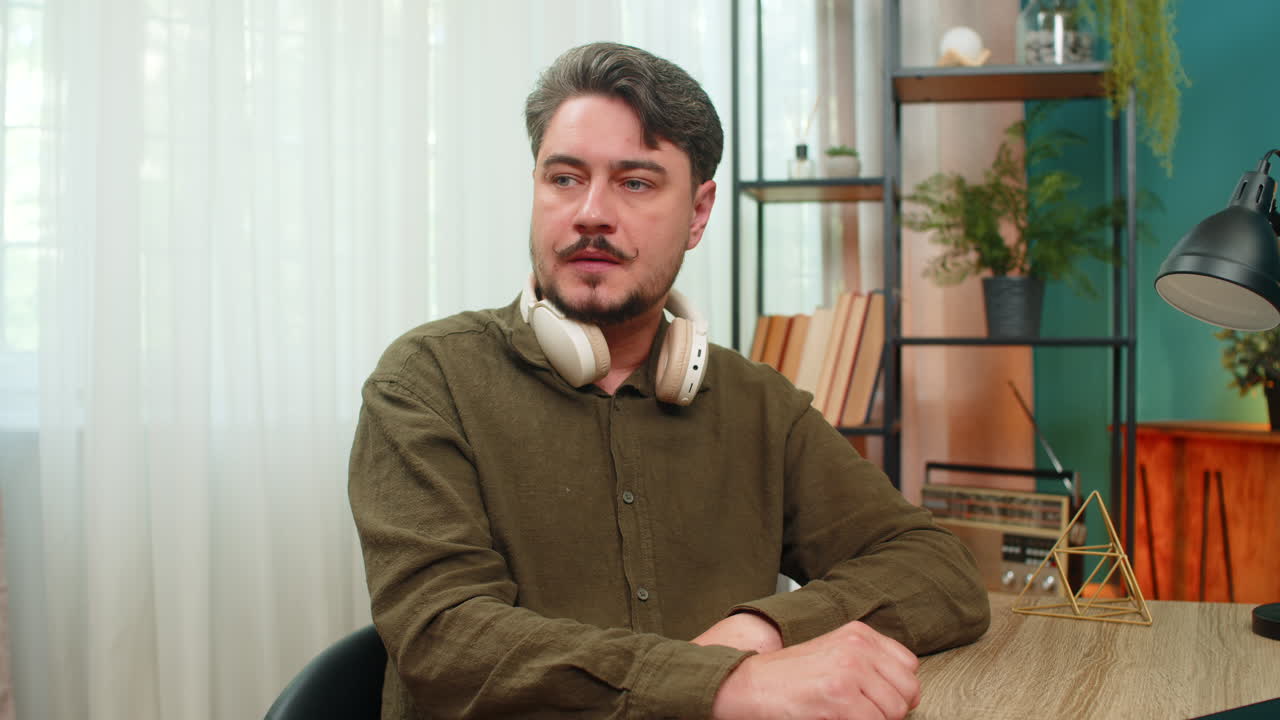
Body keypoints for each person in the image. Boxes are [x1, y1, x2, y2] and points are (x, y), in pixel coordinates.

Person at [349, 41, 989, 720]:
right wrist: (725, 685)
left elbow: (936, 569)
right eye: (564, 178)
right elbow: (444, 640)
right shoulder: (425, 383)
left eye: (636, 182)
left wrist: (762, 630)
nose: (591, 211)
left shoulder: (757, 404)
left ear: (700, 212)